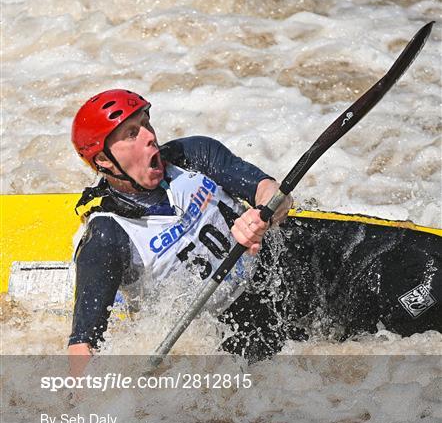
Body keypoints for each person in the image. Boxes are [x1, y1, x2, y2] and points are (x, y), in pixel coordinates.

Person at [68, 89, 441, 367]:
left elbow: (273, 192)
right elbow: (82, 346)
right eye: (132, 133)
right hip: (237, 325)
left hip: (285, 263)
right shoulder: (107, 236)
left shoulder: (192, 154)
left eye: (146, 124)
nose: (150, 136)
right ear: (103, 160)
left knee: (428, 271)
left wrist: (262, 212)